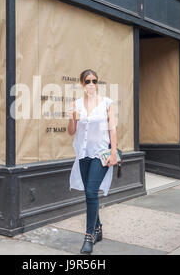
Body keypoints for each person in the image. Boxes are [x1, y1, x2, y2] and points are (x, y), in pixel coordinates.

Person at [66, 69, 118, 255]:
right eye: (87, 81)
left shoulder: (106, 103)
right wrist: (72, 116)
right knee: (90, 194)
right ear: (82, 84)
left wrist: (113, 153)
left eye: (94, 81)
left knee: (91, 191)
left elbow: (112, 129)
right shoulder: (77, 104)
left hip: (101, 153)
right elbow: (72, 131)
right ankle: (98, 228)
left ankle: (89, 236)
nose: (91, 84)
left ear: (97, 83)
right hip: (83, 153)